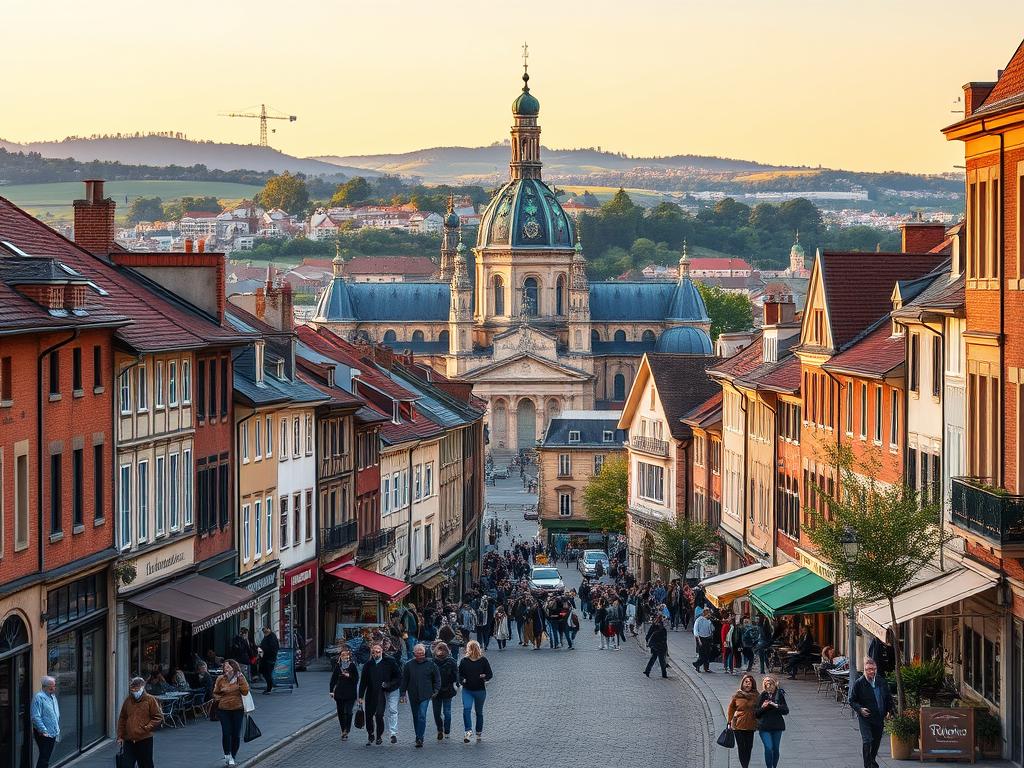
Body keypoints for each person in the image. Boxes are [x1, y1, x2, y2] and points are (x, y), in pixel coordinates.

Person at [848, 658, 894, 768]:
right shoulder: (859, 683)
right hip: (866, 717)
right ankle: (867, 765)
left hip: (879, 717)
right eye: (868, 669)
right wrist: (860, 709)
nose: (871, 672)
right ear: (864, 669)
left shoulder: (881, 681)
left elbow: (888, 698)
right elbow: (852, 700)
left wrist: (889, 711)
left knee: (876, 741)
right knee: (867, 740)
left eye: (873, 669)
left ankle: (872, 759)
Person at [357, 643, 402, 745]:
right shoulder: (368, 665)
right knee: (368, 716)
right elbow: (363, 681)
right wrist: (360, 696)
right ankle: (370, 734)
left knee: (379, 715)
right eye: (373, 652)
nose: (375, 653)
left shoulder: (389, 662)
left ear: (382, 651)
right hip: (370, 694)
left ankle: (379, 736)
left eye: (378, 651)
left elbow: (398, 677)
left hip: (381, 693)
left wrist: (388, 684)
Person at [400, 643, 441, 748]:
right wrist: (403, 693)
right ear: (414, 654)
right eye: (418, 654)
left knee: (422, 715)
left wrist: (436, 690)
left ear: (424, 653)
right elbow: (405, 680)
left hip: (426, 694)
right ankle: (418, 735)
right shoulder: (409, 665)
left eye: (422, 653)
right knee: (415, 716)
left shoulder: (431, 664)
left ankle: (420, 737)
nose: (420, 655)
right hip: (413, 694)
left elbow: (437, 678)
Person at [116, 677, 162, 768]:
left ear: (142, 687)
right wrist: (120, 736)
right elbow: (122, 718)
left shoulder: (150, 700)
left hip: (144, 739)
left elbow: (158, 717)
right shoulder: (128, 700)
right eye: (132, 689)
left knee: (146, 764)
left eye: (136, 689)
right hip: (129, 740)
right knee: (126, 765)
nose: (134, 691)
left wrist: (147, 727)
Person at [213, 659, 250, 766]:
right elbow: (215, 693)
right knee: (226, 732)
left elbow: (245, 691)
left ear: (234, 667)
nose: (226, 669)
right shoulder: (220, 679)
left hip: (237, 709)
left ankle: (233, 755)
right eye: (225, 667)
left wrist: (241, 679)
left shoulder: (240, 678)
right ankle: (227, 754)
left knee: (236, 734)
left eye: (228, 667)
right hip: (223, 709)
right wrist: (220, 700)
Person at [457, 640, 493, 743]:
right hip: (467, 690)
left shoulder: (483, 661)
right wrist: (462, 680)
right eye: (471, 648)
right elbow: (459, 674)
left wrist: (484, 676)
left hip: (480, 690)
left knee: (479, 712)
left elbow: (490, 674)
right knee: (466, 709)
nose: (472, 650)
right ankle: (468, 731)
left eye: (474, 648)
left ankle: (478, 732)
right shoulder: (464, 661)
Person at [755, 675, 789, 768]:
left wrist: (776, 705)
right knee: (769, 748)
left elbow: (786, 711)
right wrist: (763, 707)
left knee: (776, 749)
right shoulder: (762, 695)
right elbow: (756, 713)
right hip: (764, 727)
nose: (769, 687)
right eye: (766, 685)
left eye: (770, 685)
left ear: (775, 685)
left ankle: (774, 766)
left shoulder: (779, 695)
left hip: (777, 726)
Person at [727, 674, 759, 768]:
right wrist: (729, 720)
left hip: (751, 725)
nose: (748, 685)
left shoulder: (757, 696)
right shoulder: (737, 695)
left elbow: (760, 709)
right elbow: (731, 708)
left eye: (750, 683)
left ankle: (746, 765)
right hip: (738, 725)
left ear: (753, 685)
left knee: (749, 747)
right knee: (741, 748)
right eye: (746, 682)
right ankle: (744, 766)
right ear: (742, 684)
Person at [329, 648, 359, 741]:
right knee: (341, 712)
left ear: (349, 656)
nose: (344, 657)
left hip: (350, 693)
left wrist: (349, 676)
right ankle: (343, 730)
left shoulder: (352, 666)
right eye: (342, 655)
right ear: (340, 657)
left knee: (349, 712)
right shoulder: (338, 666)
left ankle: (347, 729)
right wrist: (331, 691)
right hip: (339, 693)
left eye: (346, 655)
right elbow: (333, 679)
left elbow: (356, 679)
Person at [432, 642, 459, 741]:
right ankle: (443, 730)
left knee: (442, 712)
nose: (440, 652)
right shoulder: (434, 662)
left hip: (441, 690)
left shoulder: (435, 661)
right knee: (442, 712)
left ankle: (443, 730)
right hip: (441, 690)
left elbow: (456, 675)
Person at [31, 676, 60, 768]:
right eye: (51, 686)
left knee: (46, 757)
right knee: (44, 757)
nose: (53, 688)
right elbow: (35, 716)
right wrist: (44, 731)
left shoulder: (52, 696)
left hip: (53, 732)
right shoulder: (39, 697)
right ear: (44, 686)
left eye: (54, 686)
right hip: (44, 733)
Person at [258, 627, 280, 694]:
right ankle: (269, 687)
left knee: (267, 673)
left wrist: (262, 649)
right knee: (266, 673)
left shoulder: (272, 637)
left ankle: (269, 688)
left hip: (269, 659)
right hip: (266, 659)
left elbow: (272, 648)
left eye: (265, 631)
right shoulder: (267, 637)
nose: (265, 633)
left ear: (269, 629)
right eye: (264, 632)